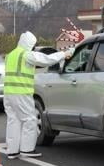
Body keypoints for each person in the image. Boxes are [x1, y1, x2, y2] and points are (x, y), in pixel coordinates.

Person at [4, 31, 74, 159]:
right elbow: (47, 60)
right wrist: (65, 54)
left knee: (13, 120)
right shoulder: (26, 55)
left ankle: (12, 151)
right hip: (22, 93)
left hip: (8, 93)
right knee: (30, 120)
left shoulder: (11, 55)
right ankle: (27, 149)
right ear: (29, 43)